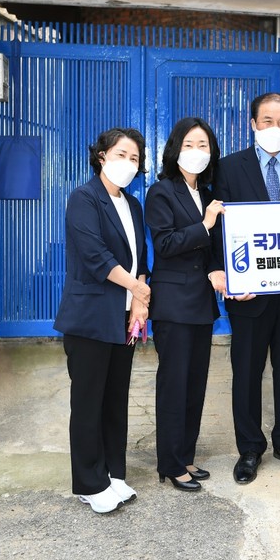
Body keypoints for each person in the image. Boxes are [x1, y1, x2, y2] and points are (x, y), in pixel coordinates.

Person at [209, 92, 280, 484]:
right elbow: (216, 231)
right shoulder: (227, 168)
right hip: (249, 295)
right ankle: (250, 449)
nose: (276, 128)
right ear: (253, 124)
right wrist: (220, 272)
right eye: (268, 120)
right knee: (246, 372)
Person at [53, 127, 150, 513]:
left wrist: (139, 301)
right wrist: (140, 290)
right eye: (122, 154)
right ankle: (89, 483)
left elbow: (141, 257)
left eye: (135, 158)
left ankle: (113, 474)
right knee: (89, 401)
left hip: (124, 317)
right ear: (101, 156)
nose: (128, 163)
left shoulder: (133, 204)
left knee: (115, 400)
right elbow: (96, 258)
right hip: (91, 317)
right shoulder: (84, 199)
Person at [145, 117, 225, 492]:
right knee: (174, 384)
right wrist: (206, 224)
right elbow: (164, 244)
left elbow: (209, 250)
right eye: (190, 145)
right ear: (175, 149)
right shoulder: (161, 192)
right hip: (173, 304)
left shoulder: (207, 194)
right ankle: (170, 463)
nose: (197, 152)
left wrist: (216, 270)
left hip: (200, 303)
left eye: (204, 146)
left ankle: (186, 455)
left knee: (196, 383)